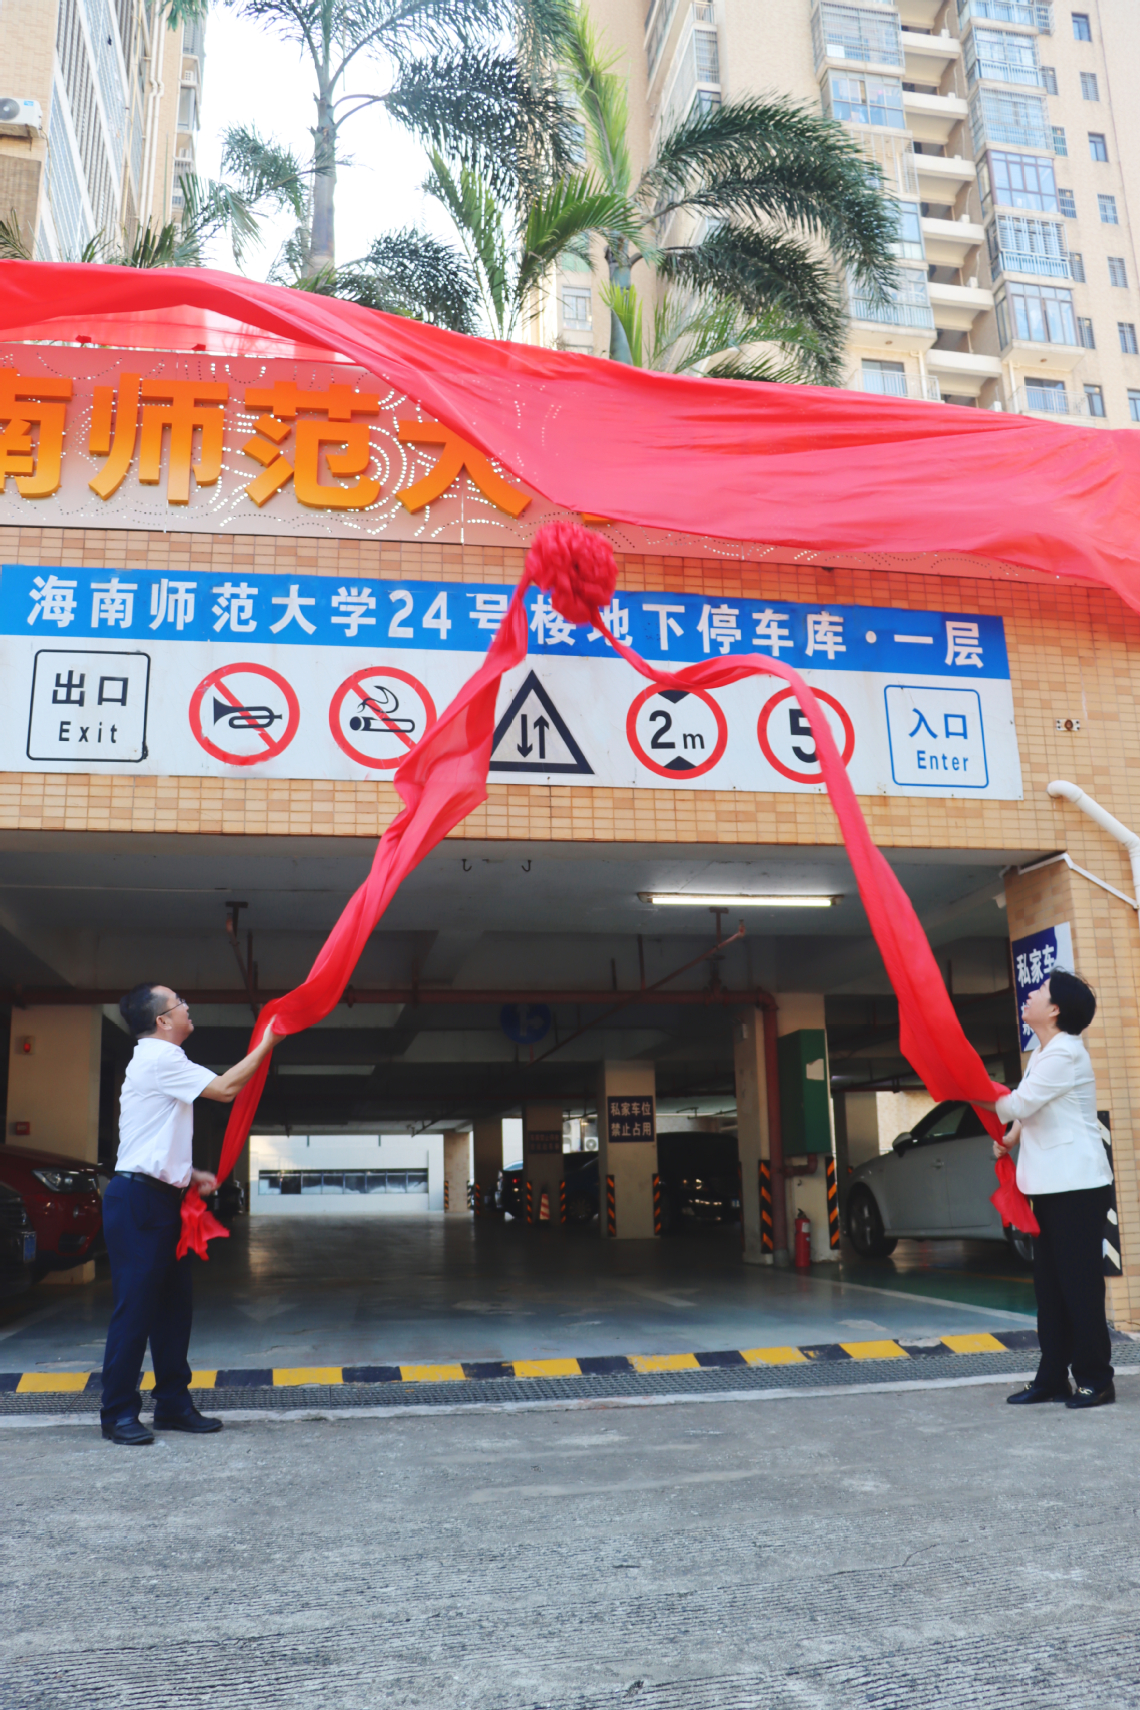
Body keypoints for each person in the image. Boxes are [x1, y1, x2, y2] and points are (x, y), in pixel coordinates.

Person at [100, 985, 284, 1446]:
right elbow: (225, 1089)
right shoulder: (159, 1058)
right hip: (139, 1201)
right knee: (136, 1310)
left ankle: (172, 1405)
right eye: (179, 1003)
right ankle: (117, 1413)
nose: (187, 1007)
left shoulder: (162, 1060)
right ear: (163, 1020)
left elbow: (154, 1135)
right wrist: (267, 1043)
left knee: (173, 1308)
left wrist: (186, 1173)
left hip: (159, 1198)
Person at [979, 969, 1114, 1410]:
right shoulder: (1044, 1051)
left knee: (1079, 1287)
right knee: (1050, 1291)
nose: (1030, 994)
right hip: (1051, 1187)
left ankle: (1096, 1379)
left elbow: (1017, 1102)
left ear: (1054, 1009)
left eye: (1039, 991)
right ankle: (1053, 1378)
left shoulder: (1065, 1053)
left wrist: (967, 1085)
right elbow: (1031, 1107)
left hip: (1077, 1187)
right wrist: (1013, 1136)